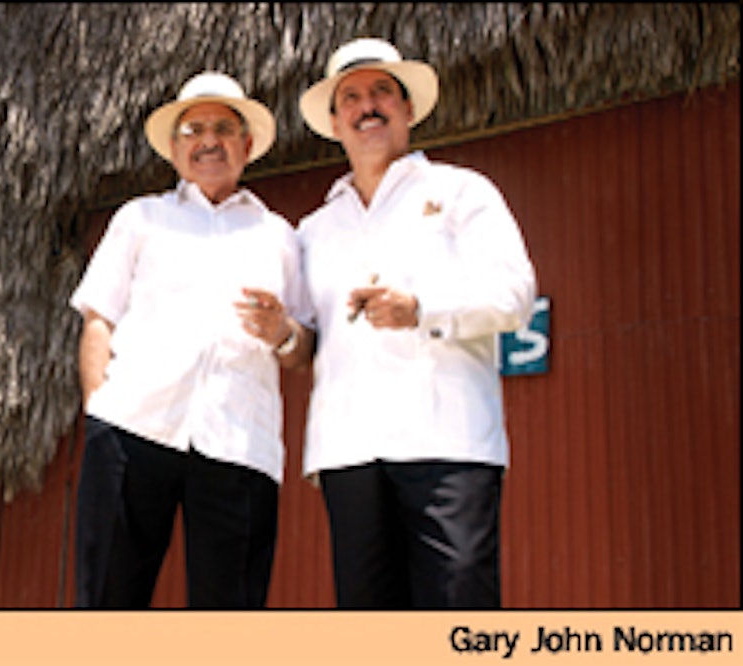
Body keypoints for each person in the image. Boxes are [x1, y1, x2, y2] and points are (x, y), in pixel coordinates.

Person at [294, 37, 538, 608]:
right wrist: (277, 331)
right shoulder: (312, 230)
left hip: (446, 445)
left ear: (408, 109)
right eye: (351, 97)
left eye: (383, 91)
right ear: (334, 120)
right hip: (348, 456)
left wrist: (421, 308)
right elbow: (303, 339)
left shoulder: (461, 192)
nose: (367, 106)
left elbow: (514, 294)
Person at [69, 71, 309, 608]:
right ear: (174, 149)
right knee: (107, 605)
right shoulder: (139, 219)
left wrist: (284, 334)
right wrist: (99, 413)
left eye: (224, 128)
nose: (209, 140)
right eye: (194, 128)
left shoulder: (281, 237)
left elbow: (305, 347)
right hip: (133, 431)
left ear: (247, 146)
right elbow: (98, 319)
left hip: (240, 445)